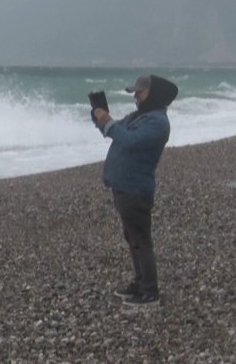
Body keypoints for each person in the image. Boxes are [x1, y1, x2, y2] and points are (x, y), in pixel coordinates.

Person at [92, 74, 178, 307]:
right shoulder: (139, 116)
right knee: (132, 237)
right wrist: (101, 120)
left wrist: (108, 122)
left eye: (140, 92)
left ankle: (150, 292)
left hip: (136, 188)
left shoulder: (158, 122)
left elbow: (130, 140)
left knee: (141, 240)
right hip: (122, 186)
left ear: (154, 94)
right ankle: (140, 282)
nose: (136, 97)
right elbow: (116, 130)